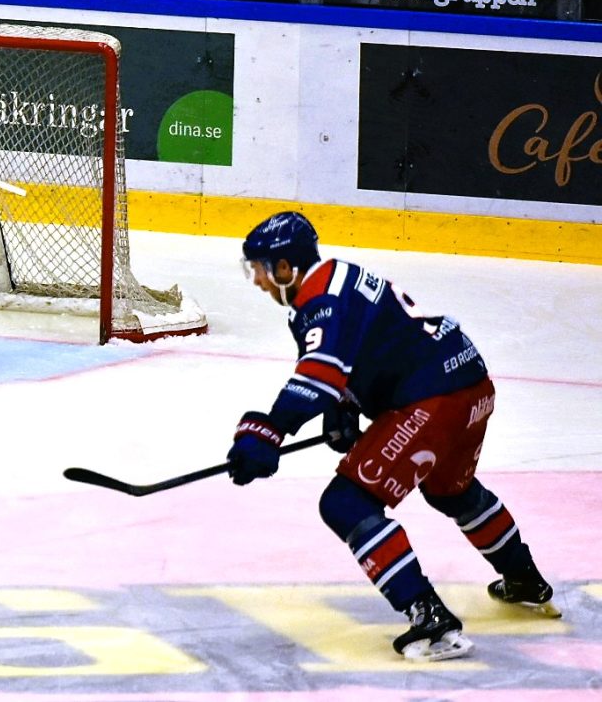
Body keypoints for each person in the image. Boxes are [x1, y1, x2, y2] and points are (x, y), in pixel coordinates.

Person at [227, 211, 560, 661]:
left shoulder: (321, 300)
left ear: (286, 266)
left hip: (434, 398)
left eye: (261, 269)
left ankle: (432, 622)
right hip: (470, 383)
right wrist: (343, 407)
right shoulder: (334, 278)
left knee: (346, 503)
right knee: (451, 491)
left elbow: (320, 372)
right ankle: (524, 579)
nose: (258, 281)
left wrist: (269, 431)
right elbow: (352, 357)